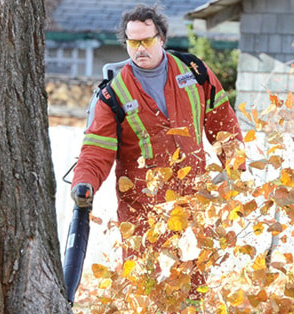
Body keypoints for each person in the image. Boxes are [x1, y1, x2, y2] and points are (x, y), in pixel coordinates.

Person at [70, 4, 245, 296]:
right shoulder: (113, 94)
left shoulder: (194, 70)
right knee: (143, 282)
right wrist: (83, 183)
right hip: (142, 207)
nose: (140, 48)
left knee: (192, 278)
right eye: (133, 42)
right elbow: (96, 150)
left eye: (147, 40)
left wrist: (235, 166)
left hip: (191, 198)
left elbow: (222, 121)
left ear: (161, 38)